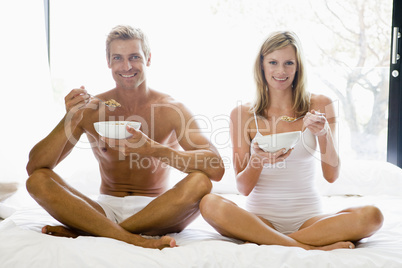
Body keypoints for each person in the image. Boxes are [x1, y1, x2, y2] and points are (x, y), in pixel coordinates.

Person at [26, 25, 224, 249]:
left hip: (158, 209)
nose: (126, 66)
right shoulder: (90, 109)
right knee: (37, 181)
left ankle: (90, 230)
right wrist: (70, 118)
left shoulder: (171, 109)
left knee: (200, 182)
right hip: (103, 209)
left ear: (148, 59)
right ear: (108, 62)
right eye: (118, 58)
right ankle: (128, 236)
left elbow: (216, 168)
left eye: (134, 57)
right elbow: (35, 167)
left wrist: (154, 149)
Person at [200, 31, 384, 250]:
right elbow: (243, 188)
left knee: (372, 216)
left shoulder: (320, 104)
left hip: (309, 219)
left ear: (298, 67)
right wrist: (257, 160)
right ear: (261, 66)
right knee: (209, 203)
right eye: (273, 62)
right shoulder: (242, 114)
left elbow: (331, 175)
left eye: (289, 63)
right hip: (259, 220)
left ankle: (271, 242)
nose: (281, 71)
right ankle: (311, 247)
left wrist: (324, 134)